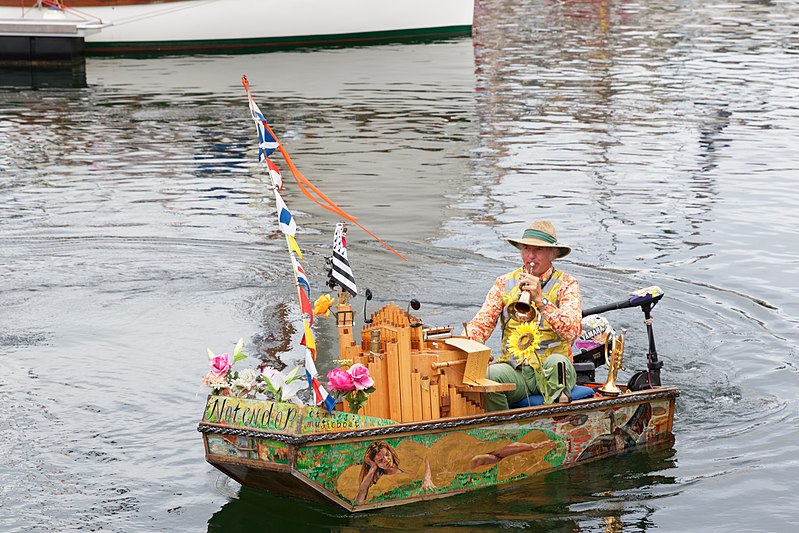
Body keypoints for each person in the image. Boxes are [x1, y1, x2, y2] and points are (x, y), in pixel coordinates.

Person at [465, 220, 582, 411]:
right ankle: (503, 431)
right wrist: (472, 347)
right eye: (526, 249)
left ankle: (554, 424)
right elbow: (480, 325)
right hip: (515, 370)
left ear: (553, 254)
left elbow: (572, 331)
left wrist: (541, 301)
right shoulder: (504, 282)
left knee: (557, 364)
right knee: (487, 376)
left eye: (539, 250)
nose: (530, 256)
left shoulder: (567, 284)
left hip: (551, 368)